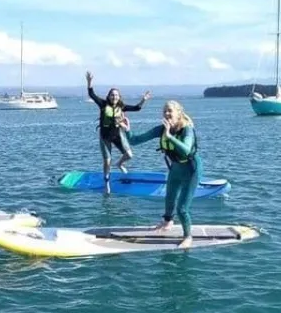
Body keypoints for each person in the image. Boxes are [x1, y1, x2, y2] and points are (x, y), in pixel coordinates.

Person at [122, 100, 201, 249]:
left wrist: (169, 136)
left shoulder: (187, 130)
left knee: (182, 209)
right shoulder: (161, 129)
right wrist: (127, 130)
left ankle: (188, 237)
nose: (166, 113)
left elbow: (185, 149)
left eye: (170, 110)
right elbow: (135, 140)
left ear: (178, 113)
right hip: (175, 168)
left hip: (191, 169)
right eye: (165, 111)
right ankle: (167, 222)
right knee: (169, 197)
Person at [85, 71, 151, 194]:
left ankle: (120, 164)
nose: (114, 97)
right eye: (112, 95)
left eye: (116, 95)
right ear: (109, 96)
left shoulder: (122, 107)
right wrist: (89, 82)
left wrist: (143, 100)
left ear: (119, 97)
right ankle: (107, 184)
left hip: (118, 136)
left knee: (129, 155)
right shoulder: (103, 104)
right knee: (107, 161)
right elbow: (91, 94)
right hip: (105, 137)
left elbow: (137, 108)